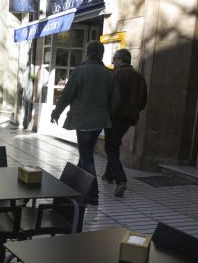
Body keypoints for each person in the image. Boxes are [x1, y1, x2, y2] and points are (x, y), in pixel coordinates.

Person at [50, 41, 120, 204]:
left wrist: (56, 112)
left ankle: (93, 194)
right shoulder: (109, 74)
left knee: (86, 157)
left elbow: (67, 94)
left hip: (82, 120)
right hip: (99, 121)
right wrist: (106, 112)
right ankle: (76, 187)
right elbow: (116, 98)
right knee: (85, 155)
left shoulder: (80, 71)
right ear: (101, 54)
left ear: (87, 53)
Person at [102, 49, 148, 197]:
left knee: (111, 148)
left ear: (120, 59)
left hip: (113, 116)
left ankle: (121, 180)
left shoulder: (115, 75)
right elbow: (143, 103)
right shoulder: (140, 78)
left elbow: (107, 96)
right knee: (114, 144)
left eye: (114, 59)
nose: (112, 62)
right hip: (128, 119)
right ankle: (108, 175)